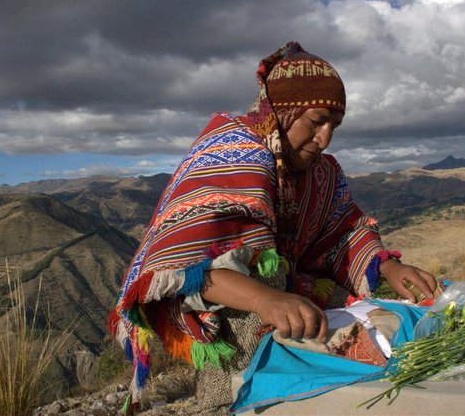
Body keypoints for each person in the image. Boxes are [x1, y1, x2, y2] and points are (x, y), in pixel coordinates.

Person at [108, 41, 438, 415]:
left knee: (374, 316)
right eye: (316, 122)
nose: (325, 138)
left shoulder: (322, 173)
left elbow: (344, 233)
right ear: (285, 111)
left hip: (290, 294)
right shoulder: (234, 152)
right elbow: (187, 266)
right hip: (235, 312)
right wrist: (268, 300)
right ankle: (231, 402)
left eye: (334, 125)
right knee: (260, 315)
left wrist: (390, 268)